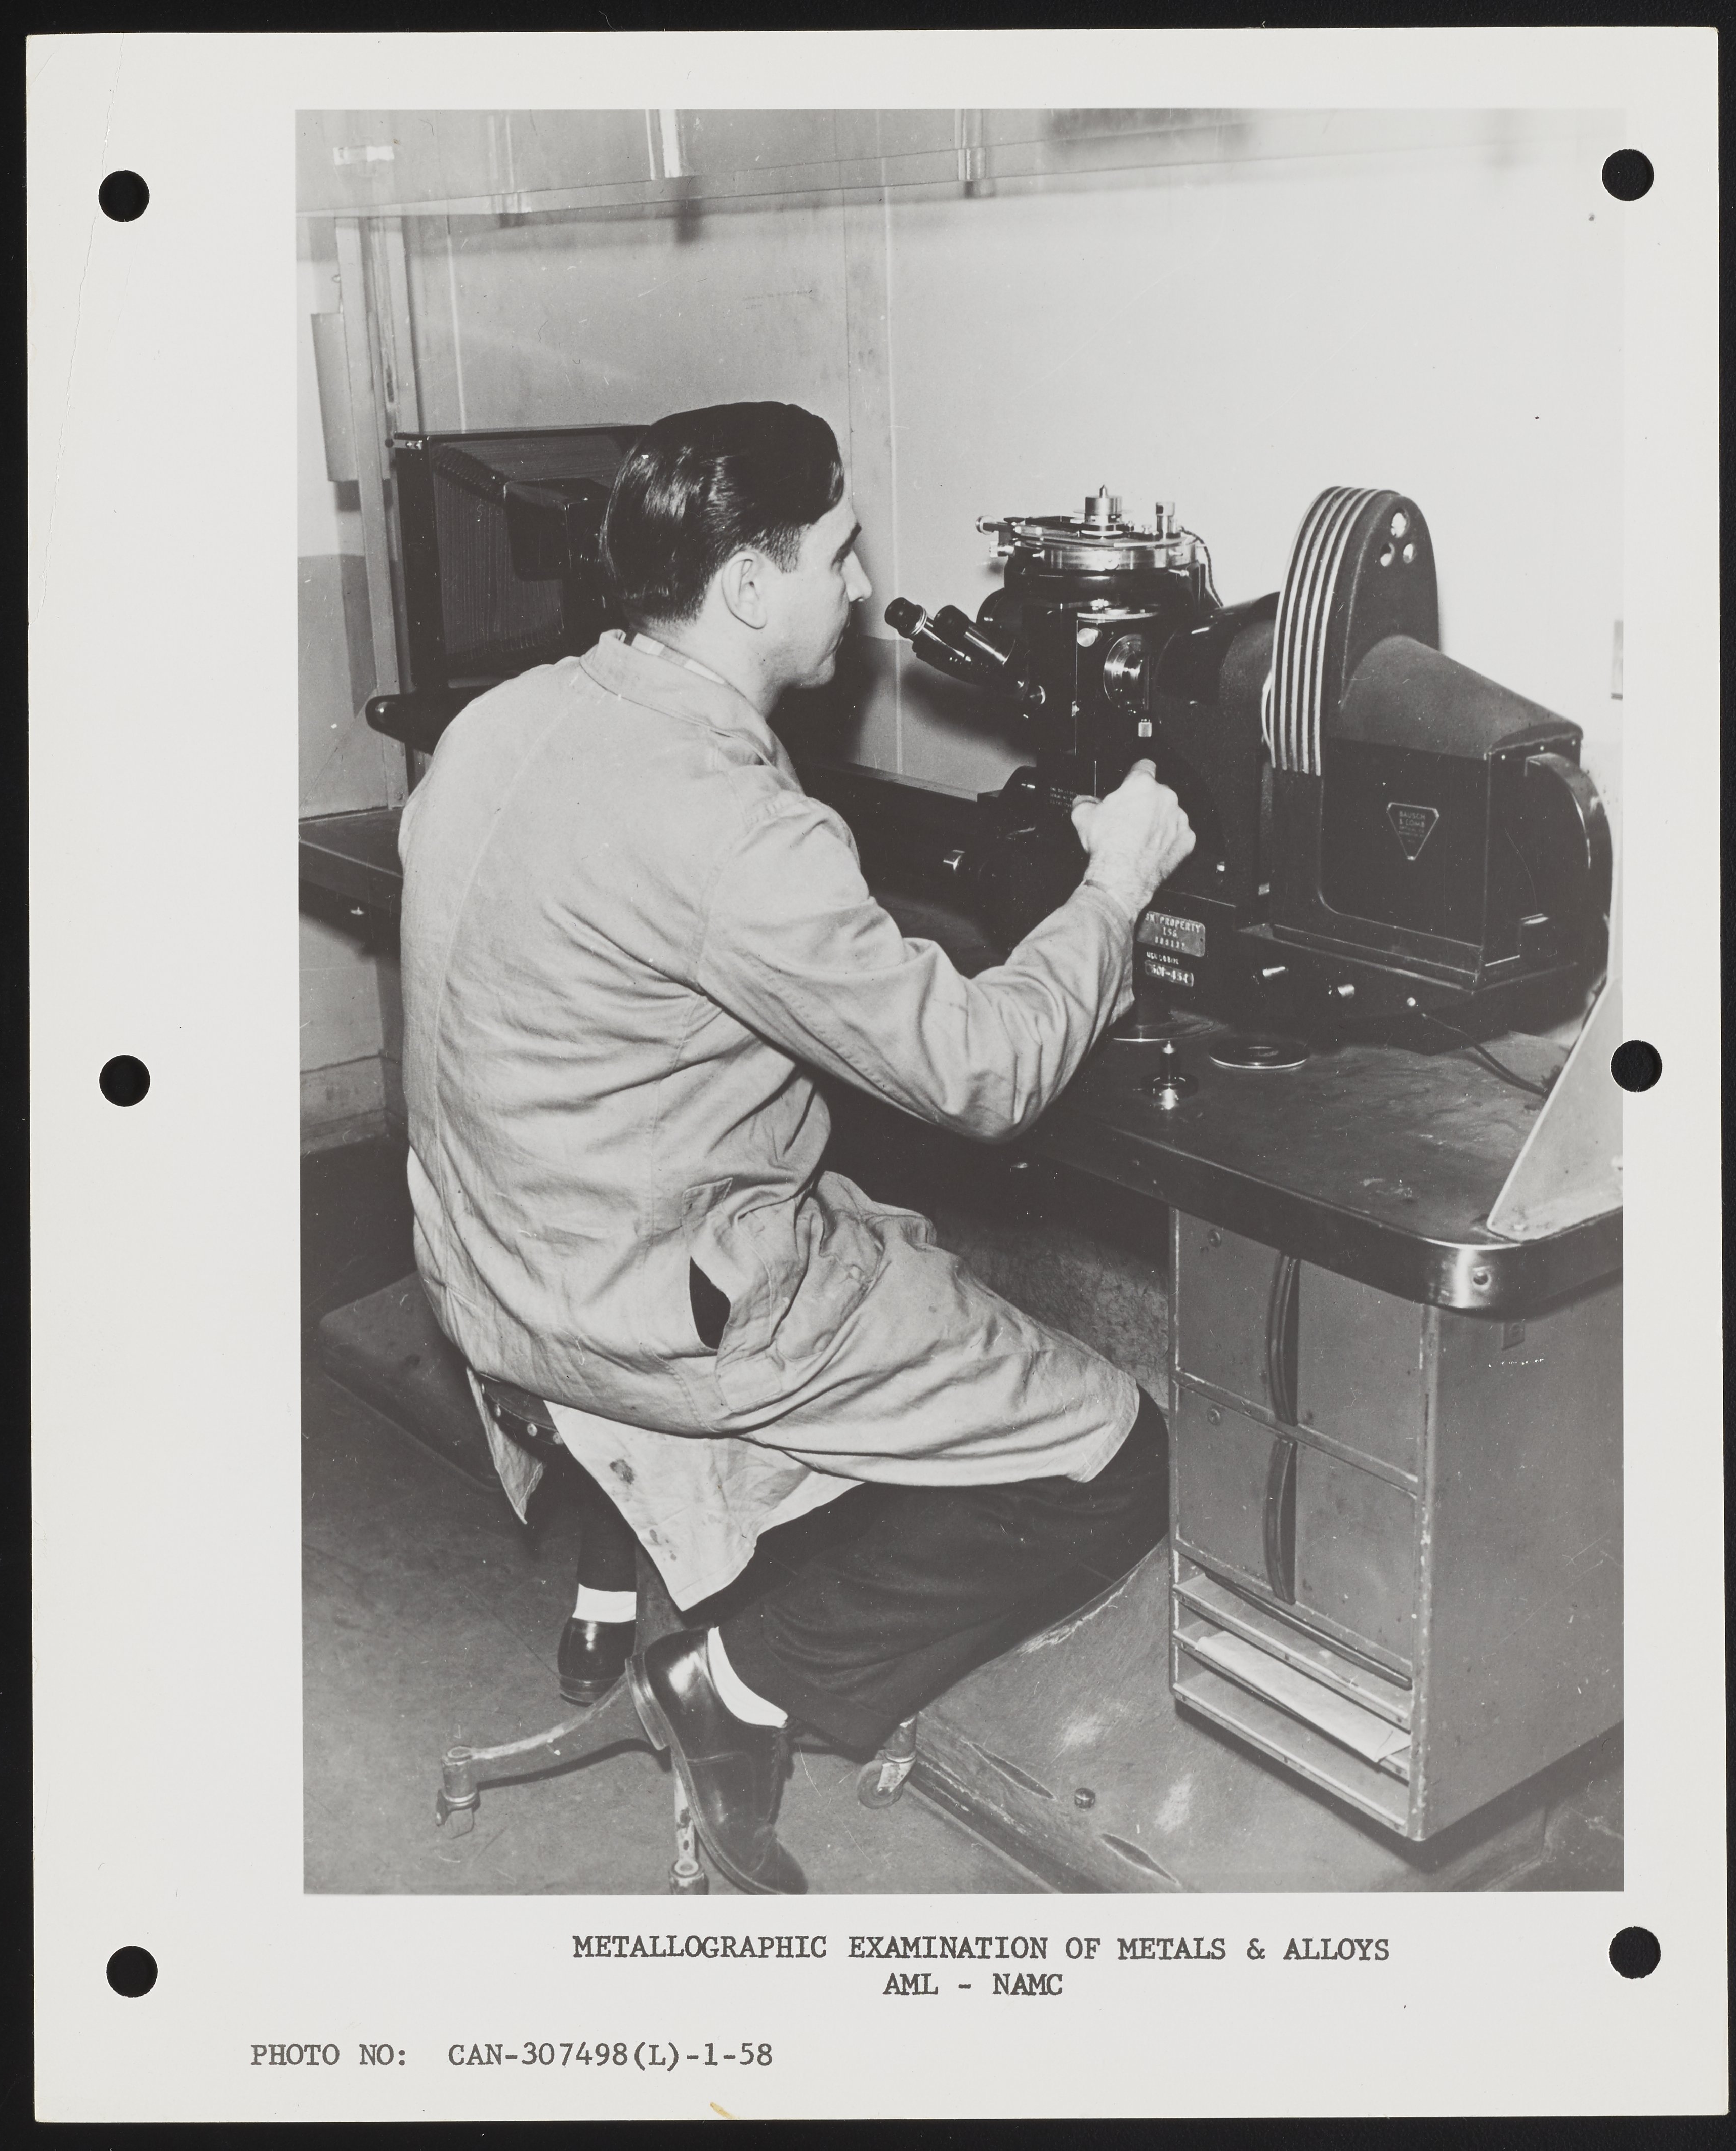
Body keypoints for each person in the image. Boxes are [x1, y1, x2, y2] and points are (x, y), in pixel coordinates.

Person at [398, 401, 1195, 1894]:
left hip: (487, 1266)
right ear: (752, 585)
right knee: (1115, 1453)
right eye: (837, 552)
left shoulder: (501, 721)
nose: (860, 584)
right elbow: (981, 1073)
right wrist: (1113, 892)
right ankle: (741, 1684)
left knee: (903, 1246)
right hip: (640, 1317)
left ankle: (751, 1607)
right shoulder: (729, 824)